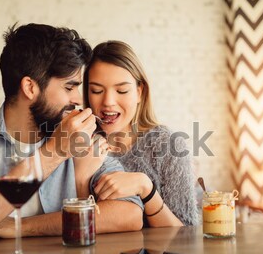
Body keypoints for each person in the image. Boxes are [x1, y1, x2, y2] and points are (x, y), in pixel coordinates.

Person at [0, 24, 143, 246]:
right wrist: (53, 153)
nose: (79, 99)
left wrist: (20, 227)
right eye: (69, 87)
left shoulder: (80, 135)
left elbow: (129, 214)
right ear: (30, 88)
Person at [78, 40, 199, 227]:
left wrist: (145, 188)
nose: (108, 101)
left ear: (139, 93)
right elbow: (75, 226)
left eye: (122, 90)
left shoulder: (167, 145)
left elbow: (187, 234)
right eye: (97, 90)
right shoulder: (78, 144)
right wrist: (82, 178)